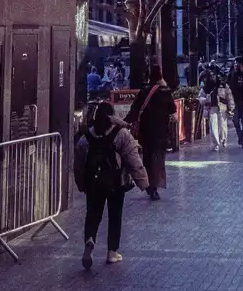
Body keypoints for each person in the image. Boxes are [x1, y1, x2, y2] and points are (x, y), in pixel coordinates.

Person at [73, 98, 148, 268]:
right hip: (115, 182)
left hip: (93, 182)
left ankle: (90, 240)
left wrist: (81, 184)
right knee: (115, 216)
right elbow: (133, 158)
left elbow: (78, 165)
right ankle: (112, 252)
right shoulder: (121, 134)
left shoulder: (86, 137)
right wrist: (143, 182)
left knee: (93, 213)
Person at [135, 62, 176, 200]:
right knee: (157, 160)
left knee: (147, 158)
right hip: (160, 132)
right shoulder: (165, 92)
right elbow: (172, 109)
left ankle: (149, 184)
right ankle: (154, 187)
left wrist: (125, 122)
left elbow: (135, 109)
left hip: (145, 131)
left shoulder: (143, 91)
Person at [202, 65, 233, 149]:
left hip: (222, 107)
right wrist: (205, 100)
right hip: (211, 107)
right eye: (211, 75)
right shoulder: (206, 87)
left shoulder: (223, 85)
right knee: (213, 127)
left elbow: (229, 96)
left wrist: (231, 108)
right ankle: (216, 143)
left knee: (223, 126)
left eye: (214, 75)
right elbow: (201, 96)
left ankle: (223, 140)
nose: (212, 77)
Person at [228, 59, 243, 146]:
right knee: (235, 120)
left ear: (242, 65)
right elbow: (228, 86)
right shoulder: (232, 74)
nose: (236, 66)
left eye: (237, 64)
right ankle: (240, 135)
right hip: (235, 100)